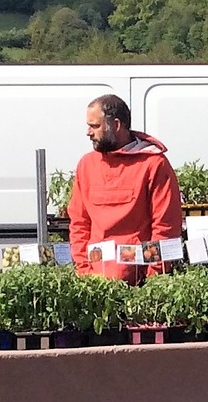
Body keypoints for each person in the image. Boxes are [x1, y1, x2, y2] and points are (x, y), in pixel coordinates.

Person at [68, 94, 183, 284]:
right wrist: (85, 273)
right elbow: (79, 223)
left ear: (116, 125)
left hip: (140, 282)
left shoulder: (153, 163)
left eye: (95, 126)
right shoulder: (87, 165)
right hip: (94, 282)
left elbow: (165, 226)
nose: (88, 132)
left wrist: (152, 278)